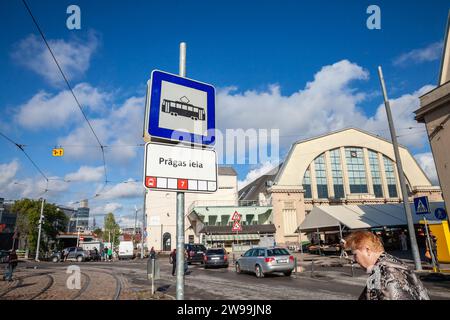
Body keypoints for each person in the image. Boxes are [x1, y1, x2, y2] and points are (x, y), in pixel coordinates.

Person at [344, 231, 429, 300]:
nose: (354, 259)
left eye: (355, 254)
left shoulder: (385, 274)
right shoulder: (394, 263)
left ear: (367, 250)